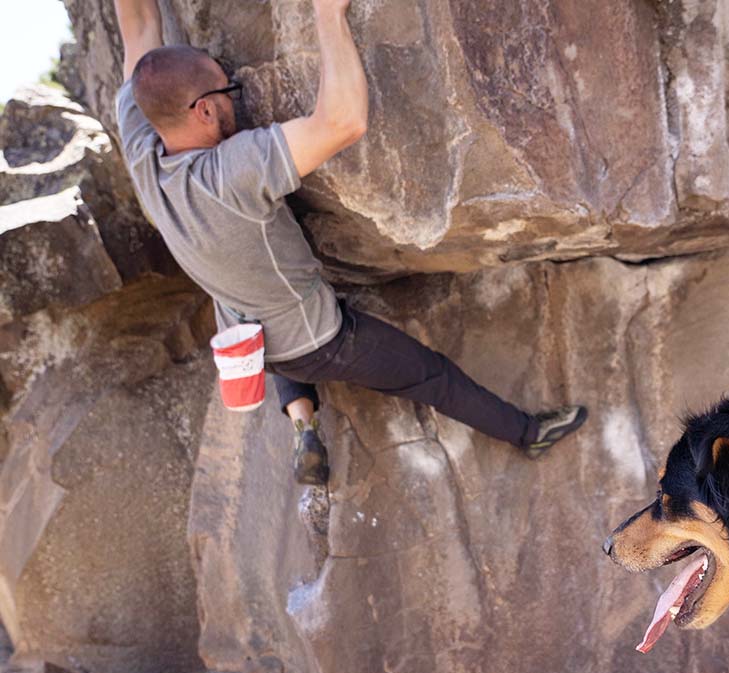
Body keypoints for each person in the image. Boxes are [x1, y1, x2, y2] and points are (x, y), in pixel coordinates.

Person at [112, 0, 587, 484]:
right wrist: (328, 16)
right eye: (228, 89)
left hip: (250, 333)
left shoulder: (142, 146)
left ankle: (303, 423)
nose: (236, 98)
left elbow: (138, 25)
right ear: (206, 108)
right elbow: (343, 123)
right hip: (321, 342)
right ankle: (530, 434)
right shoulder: (231, 171)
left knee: (258, 306)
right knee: (431, 376)